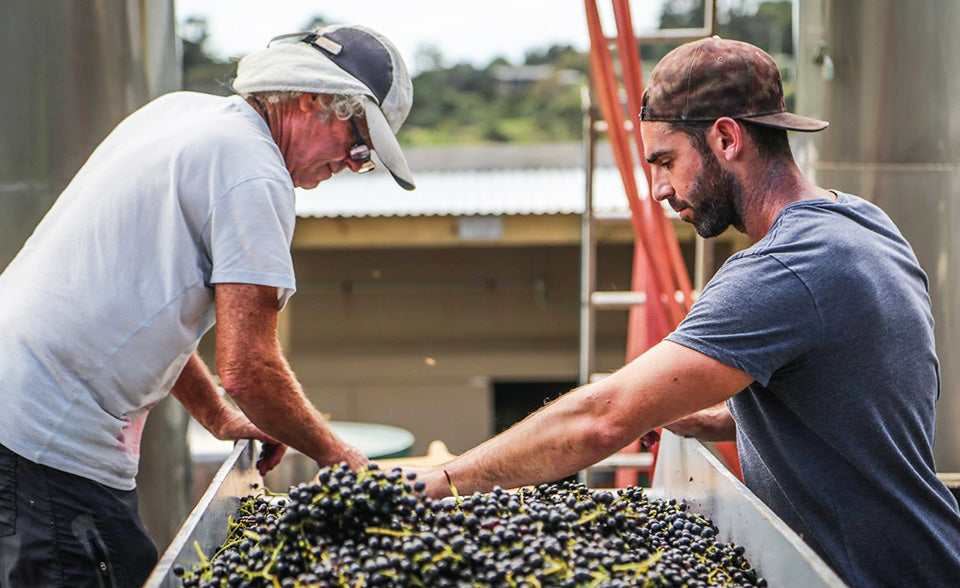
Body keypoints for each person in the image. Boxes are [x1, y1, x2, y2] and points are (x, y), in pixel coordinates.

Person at [415, 37, 960, 586]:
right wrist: (722, 418)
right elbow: (860, 395)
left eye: (665, 161)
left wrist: (441, 482)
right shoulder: (863, 222)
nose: (657, 189)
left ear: (725, 137)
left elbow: (601, 421)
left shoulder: (784, 269)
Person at [0, 24, 414, 587]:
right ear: (313, 98)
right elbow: (249, 371)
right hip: (44, 439)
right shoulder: (254, 173)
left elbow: (145, 311)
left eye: (364, 160)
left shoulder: (178, 114)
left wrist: (218, 415)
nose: (350, 163)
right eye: (358, 143)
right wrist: (340, 458)